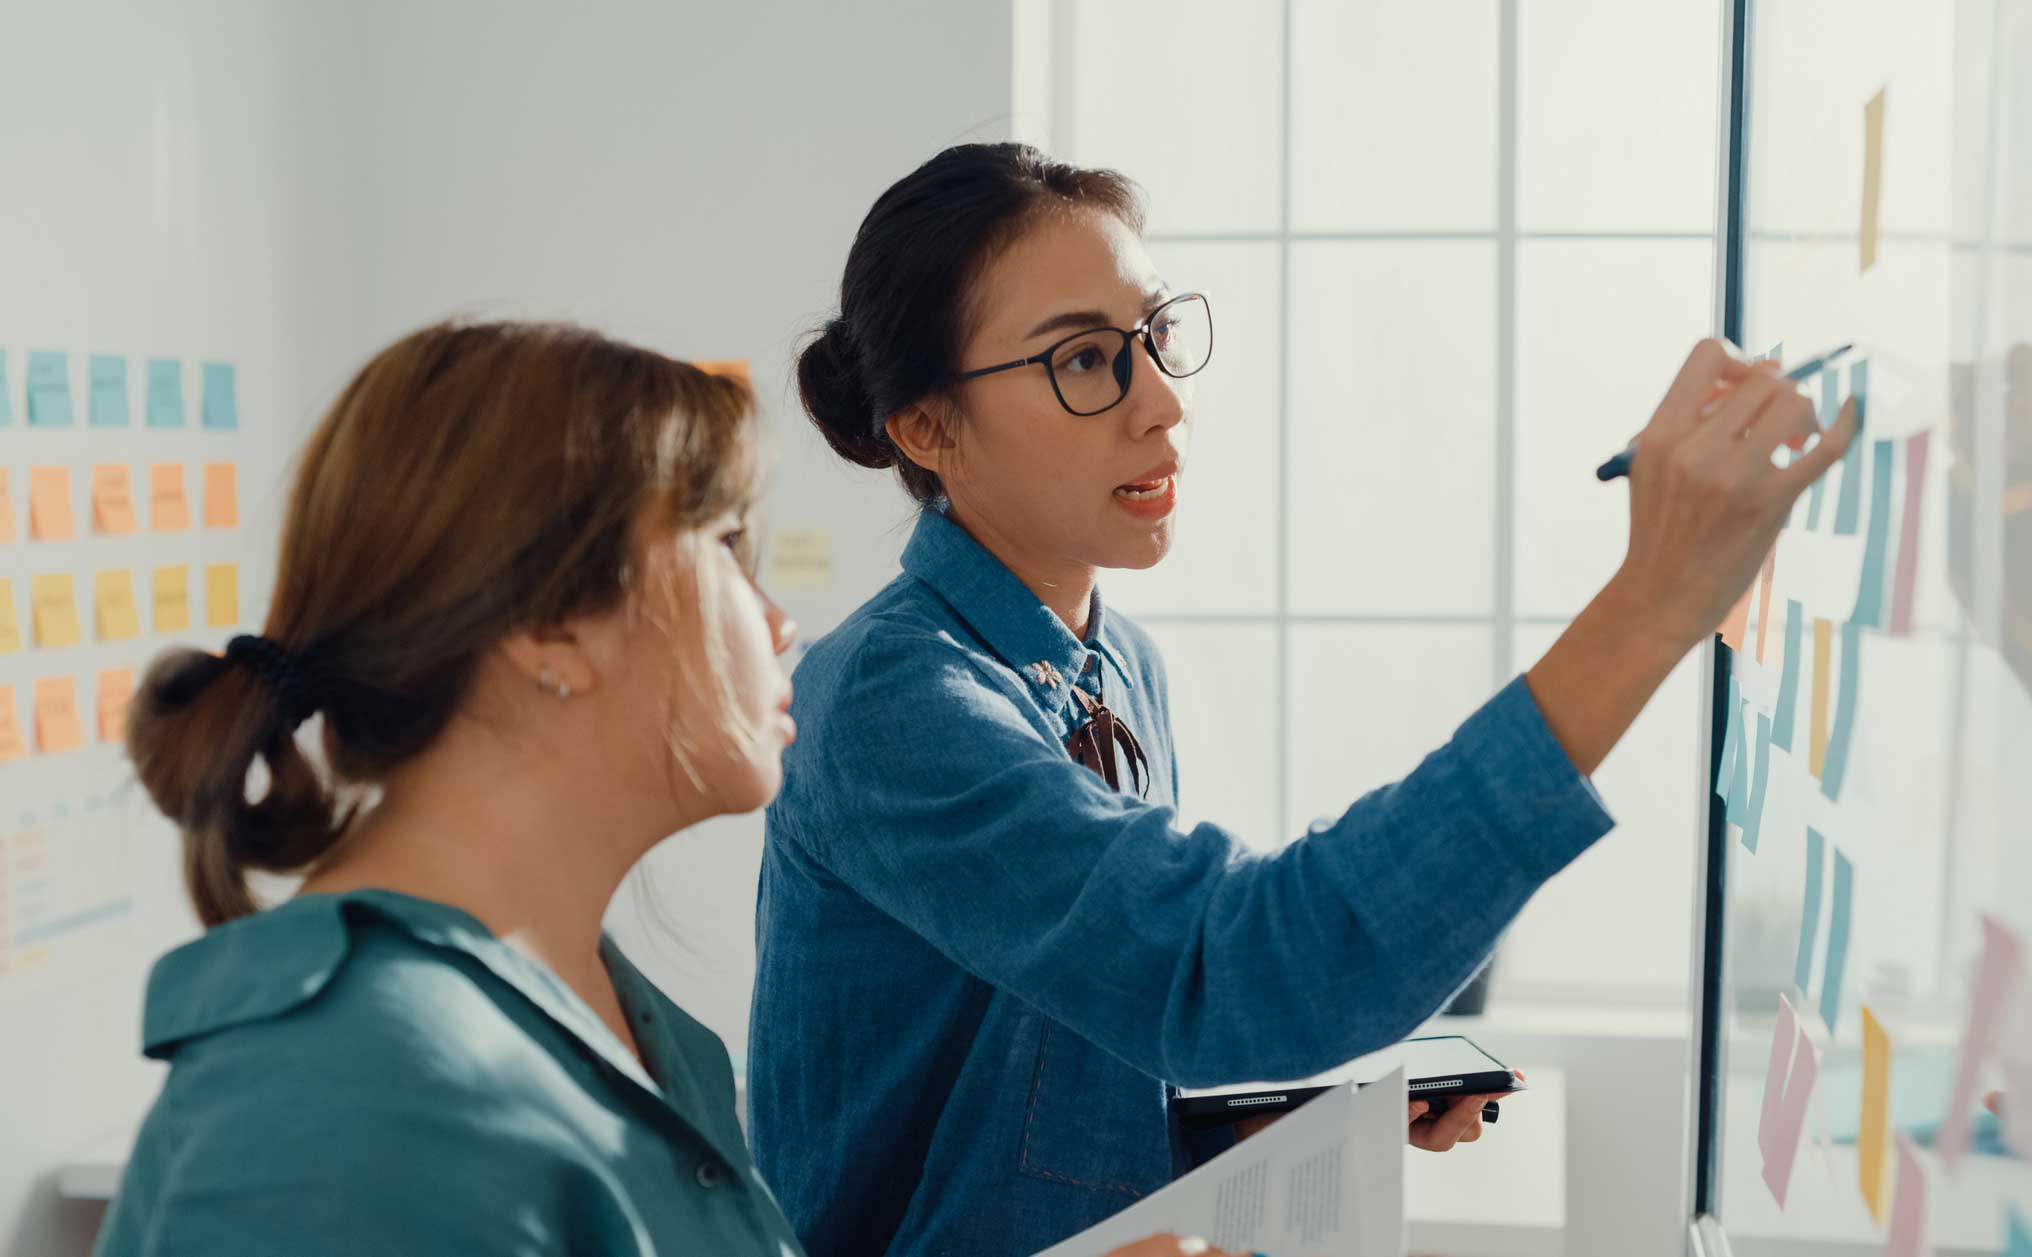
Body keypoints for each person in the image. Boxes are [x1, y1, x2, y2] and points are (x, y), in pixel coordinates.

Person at [750, 142, 1856, 1256]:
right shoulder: (891, 703)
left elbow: (1087, 1054)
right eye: (1084, 363)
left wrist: (1262, 1123)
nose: (1162, 404)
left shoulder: (1118, 662)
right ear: (927, 427)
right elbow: (1231, 970)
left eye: (1155, 339)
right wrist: (1653, 602)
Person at [97, 320, 1230, 1257]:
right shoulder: (338, 1106)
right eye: (726, 547)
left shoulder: (617, 1021)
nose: (778, 622)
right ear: (551, 628)